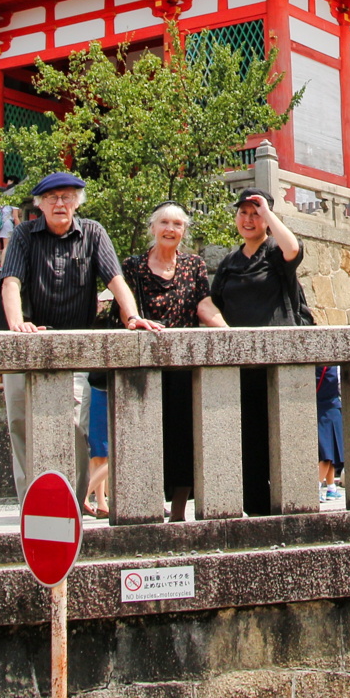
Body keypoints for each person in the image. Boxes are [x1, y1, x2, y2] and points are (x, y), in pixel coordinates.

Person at [0, 172, 161, 498]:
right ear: (40, 203)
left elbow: (115, 280)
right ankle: (29, 504)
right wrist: (17, 324)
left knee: (72, 425)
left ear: (77, 201)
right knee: (20, 424)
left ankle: (70, 502)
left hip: (73, 345)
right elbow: (11, 282)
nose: (60, 203)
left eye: (67, 197)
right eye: (52, 198)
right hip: (24, 339)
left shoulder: (93, 233)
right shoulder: (24, 234)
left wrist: (132, 316)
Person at [121, 202, 228, 521]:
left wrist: (229, 333)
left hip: (183, 367)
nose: (170, 229)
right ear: (152, 228)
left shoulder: (194, 265)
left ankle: (180, 510)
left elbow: (203, 306)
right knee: (146, 437)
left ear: (184, 231)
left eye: (177, 224)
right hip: (144, 364)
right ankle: (147, 506)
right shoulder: (134, 266)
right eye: (164, 223)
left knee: (183, 438)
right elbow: (124, 309)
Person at [209, 188, 307, 516]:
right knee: (249, 439)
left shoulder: (275, 254)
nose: (249, 220)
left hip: (280, 363)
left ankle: (292, 507)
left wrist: (269, 212)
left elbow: (293, 248)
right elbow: (212, 305)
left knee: (284, 437)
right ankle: (257, 510)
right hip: (243, 367)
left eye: (256, 214)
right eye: (244, 213)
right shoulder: (229, 263)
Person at [316, 364, 344, 503]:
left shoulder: (318, 367)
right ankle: (317, 487)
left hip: (321, 407)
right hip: (331, 408)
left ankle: (331, 487)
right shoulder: (333, 367)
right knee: (327, 454)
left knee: (329, 451)